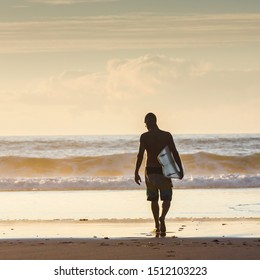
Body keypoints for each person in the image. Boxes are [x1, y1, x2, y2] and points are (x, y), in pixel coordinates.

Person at [134, 112, 184, 236]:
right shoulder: (166, 135)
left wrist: (136, 172)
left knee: (153, 199)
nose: (145, 125)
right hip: (164, 170)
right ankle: (162, 217)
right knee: (167, 198)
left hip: (150, 171)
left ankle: (157, 224)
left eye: (145, 123)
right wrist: (180, 169)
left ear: (148, 122)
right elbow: (174, 152)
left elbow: (140, 155)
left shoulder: (144, 137)